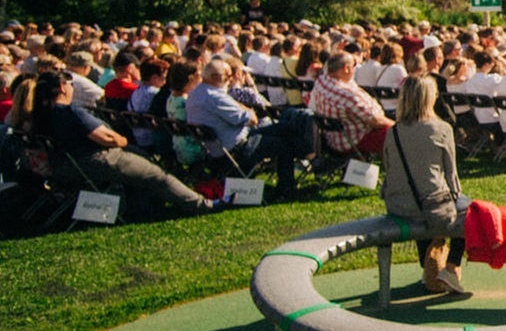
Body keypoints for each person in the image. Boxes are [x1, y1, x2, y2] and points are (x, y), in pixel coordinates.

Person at [23, 69, 225, 214]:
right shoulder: (70, 112)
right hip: (94, 161)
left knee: (143, 163)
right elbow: (107, 138)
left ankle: (146, 207)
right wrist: (121, 139)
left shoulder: (38, 115)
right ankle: (204, 205)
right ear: (62, 87)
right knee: (158, 175)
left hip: (61, 168)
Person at [380, 75, 469, 294]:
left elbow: (389, 168)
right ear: (430, 98)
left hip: (398, 205)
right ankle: (451, 266)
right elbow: (452, 177)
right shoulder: (441, 128)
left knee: (422, 197)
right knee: (471, 212)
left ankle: (427, 264)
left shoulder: (393, 132)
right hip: (430, 205)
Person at [184, 59, 313, 201]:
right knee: (285, 144)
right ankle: (287, 188)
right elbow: (252, 119)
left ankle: (308, 148)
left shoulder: (196, 93)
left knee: (285, 128)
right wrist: (247, 108)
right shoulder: (216, 97)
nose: (230, 79)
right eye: (227, 76)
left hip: (219, 150)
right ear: (215, 78)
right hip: (237, 149)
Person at [308, 51, 395, 156]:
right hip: (352, 141)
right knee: (395, 134)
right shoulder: (346, 94)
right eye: (354, 65)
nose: (355, 69)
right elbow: (376, 121)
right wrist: (397, 126)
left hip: (332, 138)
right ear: (346, 68)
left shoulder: (322, 81)